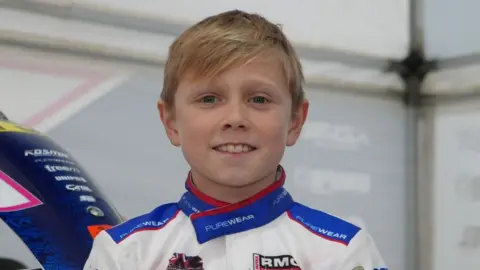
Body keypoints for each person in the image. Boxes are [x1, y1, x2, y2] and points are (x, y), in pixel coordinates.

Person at [83, 9, 388, 270]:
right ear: (171, 121)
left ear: (295, 120)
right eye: (209, 99)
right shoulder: (125, 252)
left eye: (258, 98)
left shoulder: (342, 252)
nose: (235, 118)